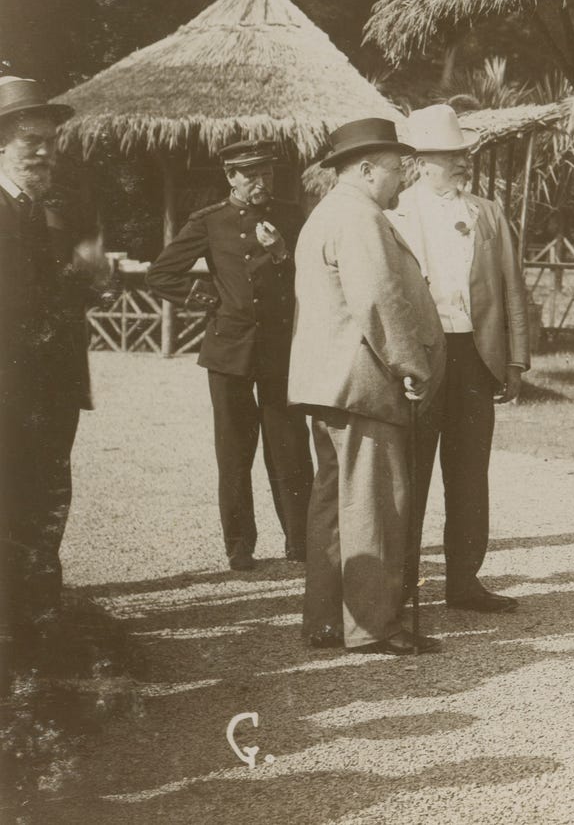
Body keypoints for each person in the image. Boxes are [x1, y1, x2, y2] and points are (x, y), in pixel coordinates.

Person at [291, 117, 445, 655]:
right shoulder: (358, 219)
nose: (402, 180)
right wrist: (412, 366)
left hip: (332, 384)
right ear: (364, 168)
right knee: (375, 503)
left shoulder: (330, 214)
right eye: (395, 170)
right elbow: (378, 301)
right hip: (361, 384)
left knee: (336, 505)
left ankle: (328, 620)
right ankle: (374, 626)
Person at [387, 105, 530, 615]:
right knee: (410, 471)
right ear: (423, 162)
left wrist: (515, 361)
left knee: (470, 473)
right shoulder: (393, 214)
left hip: (474, 354)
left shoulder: (486, 213)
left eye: (463, 156)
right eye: (450, 157)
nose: (461, 164)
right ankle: (398, 584)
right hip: (422, 354)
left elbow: (513, 289)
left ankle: (464, 582)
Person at [147, 139, 310, 571]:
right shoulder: (210, 221)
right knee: (235, 452)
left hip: (280, 350)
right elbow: (162, 274)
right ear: (231, 176)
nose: (262, 183)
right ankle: (240, 546)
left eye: (268, 174)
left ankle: (301, 542)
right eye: (252, 175)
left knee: (290, 447)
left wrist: (280, 252)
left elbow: (310, 273)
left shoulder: (291, 215)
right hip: (230, 350)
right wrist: (211, 299)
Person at [0, 77, 101, 655]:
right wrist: (77, 281)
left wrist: (85, 285)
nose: (43, 152)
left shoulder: (41, 213)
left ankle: (41, 624)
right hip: (15, 395)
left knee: (45, 506)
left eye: (49, 141)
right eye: (29, 141)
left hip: (51, 392)